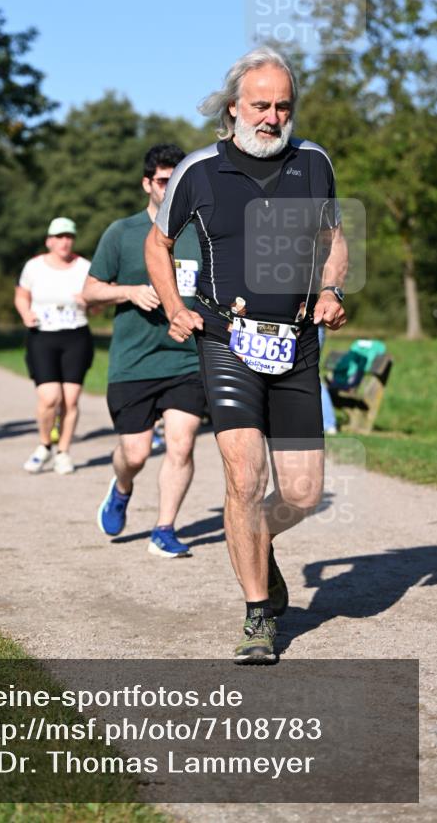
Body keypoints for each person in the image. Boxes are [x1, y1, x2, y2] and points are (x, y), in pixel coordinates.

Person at [145, 46, 348, 660]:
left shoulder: (313, 162)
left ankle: (258, 541)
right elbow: (160, 245)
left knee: (304, 492)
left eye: (282, 106)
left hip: (296, 342)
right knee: (244, 475)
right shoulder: (200, 171)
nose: (272, 116)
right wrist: (176, 305)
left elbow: (333, 236)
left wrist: (333, 286)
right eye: (260, 105)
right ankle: (259, 614)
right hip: (226, 339)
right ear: (234, 107)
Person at [83, 144, 206, 558]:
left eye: (177, 181)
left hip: (186, 358)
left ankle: (164, 528)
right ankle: (121, 489)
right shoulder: (123, 232)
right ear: (146, 184)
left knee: (182, 442)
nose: (170, 188)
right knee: (134, 453)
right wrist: (129, 291)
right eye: (162, 181)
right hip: (134, 362)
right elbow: (89, 291)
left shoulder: (200, 232)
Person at [15, 217, 93, 475]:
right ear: (49, 241)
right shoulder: (34, 267)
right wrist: (25, 313)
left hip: (76, 336)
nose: (64, 241)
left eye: (69, 236)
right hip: (43, 336)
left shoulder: (84, 267)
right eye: (59, 237)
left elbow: (100, 300)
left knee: (70, 400)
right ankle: (44, 445)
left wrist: (89, 301)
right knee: (50, 398)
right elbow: (21, 295)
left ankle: (63, 452)